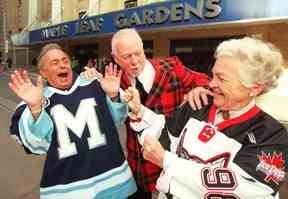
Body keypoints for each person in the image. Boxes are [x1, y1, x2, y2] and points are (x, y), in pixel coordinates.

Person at [125, 37, 288, 198]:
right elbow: (165, 135)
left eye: (222, 79)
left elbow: (246, 190)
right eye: (213, 75)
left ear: (255, 88)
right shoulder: (198, 103)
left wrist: (167, 161)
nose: (210, 83)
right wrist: (140, 112)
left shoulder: (271, 136)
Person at [84, 28, 210, 198]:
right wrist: (93, 80)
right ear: (115, 58)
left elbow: (204, 80)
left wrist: (200, 88)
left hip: (171, 164)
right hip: (138, 167)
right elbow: (115, 118)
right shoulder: (115, 80)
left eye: (138, 53)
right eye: (127, 57)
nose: (135, 61)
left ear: (143, 47)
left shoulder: (172, 67)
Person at [9, 43, 136, 199]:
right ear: (43, 72)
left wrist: (113, 95)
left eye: (65, 60)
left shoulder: (95, 83)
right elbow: (37, 146)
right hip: (68, 189)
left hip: (114, 181)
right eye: (55, 63)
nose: (62, 65)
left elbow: (118, 119)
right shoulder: (36, 99)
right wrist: (36, 109)